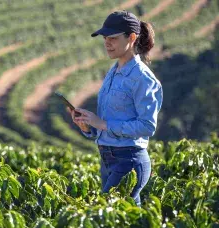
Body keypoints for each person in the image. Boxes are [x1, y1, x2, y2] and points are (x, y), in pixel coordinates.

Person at [69, 10, 162, 206]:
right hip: (108, 159)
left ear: (132, 37)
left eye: (112, 38)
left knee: (103, 214)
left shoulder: (143, 79)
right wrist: (88, 126)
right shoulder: (113, 71)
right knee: (125, 225)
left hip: (129, 160)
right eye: (105, 38)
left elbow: (147, 126)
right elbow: (106, 123)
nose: (107, 43)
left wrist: (102, 124)